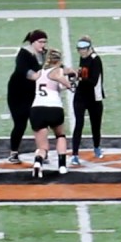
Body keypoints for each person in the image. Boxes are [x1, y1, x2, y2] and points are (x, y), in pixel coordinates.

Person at [29, 48, 76, 178]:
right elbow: (63, 82)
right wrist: (71, 83)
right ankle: (62, 166)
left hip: (37, 109)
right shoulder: (58, 70)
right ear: (59, 60)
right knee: (60, 136)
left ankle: (38, 162)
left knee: (42, 147)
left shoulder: (40, 72)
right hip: (54, 108)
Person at [6, 29, 49, 163]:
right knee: (20, 123)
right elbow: (25, 71)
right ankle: (13, 152)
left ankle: (42, 152)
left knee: (39, 123)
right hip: (18, 93)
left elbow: (53, 66)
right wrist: (40, 75)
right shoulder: (24, 54)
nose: (43, 44)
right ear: (33, 42)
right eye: (40, 42)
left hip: (33, 93)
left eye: (45, 42)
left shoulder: (44, 53)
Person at [70, 35, 106, 166]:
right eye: (79, 49)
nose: (81, 52)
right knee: (78, 125)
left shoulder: (96, 60)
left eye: (83, 49)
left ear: (89, 48)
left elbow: (93, 81)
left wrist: (78, 77)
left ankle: (97, 147)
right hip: (81, 96)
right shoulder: (83, 57)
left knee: (96, 125)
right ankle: (74, 154)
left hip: (94, 98)